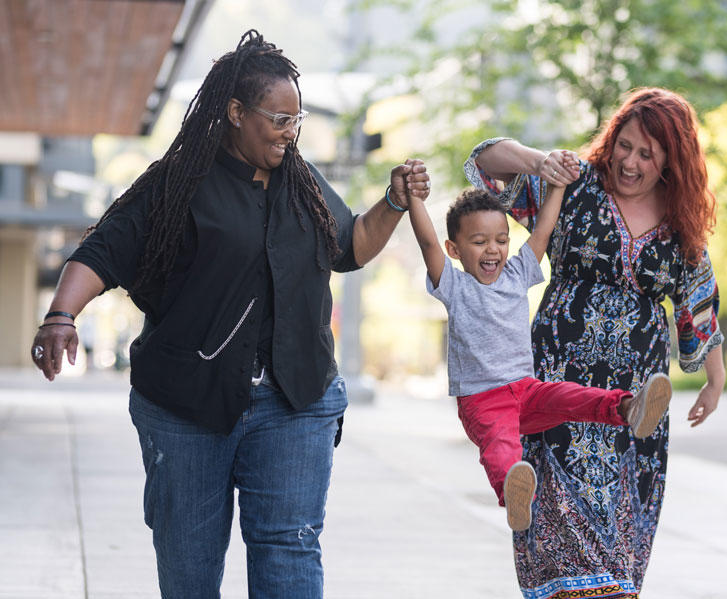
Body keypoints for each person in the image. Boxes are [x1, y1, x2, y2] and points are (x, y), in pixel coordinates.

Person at [29, 30, 429, 599]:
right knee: (189, 569)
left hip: (295, 400)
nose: (291, 131)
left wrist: (392, 203)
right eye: (279, 119)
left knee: (289, 552)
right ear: (236, 113)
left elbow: (352, 247)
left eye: (296, 119)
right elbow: (102, 252)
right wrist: (61, 317)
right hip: (187, 404)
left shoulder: (303, 183)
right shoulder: (177, 182)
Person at [465, 87, 726, 597]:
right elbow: (485, 161)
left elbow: (700, 303)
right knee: (560, 524)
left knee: (617, 543)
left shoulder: (681, 222)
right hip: (558, 384)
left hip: (637, 406)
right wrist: (542, 163)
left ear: (671, 161)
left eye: (647, 154)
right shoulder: (575, 186)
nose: (629, 162)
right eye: (624, 145)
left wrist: (715, 380)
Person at [407, 181, 673, 532]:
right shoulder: (454, 286)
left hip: (527, 390)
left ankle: (629, 408)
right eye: (479, 242)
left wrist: (557, 187)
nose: (493, 249)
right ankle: (515, 496)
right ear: (454, 250)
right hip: (483, 401)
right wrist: (413, 198)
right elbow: (427, 243)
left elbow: (543, 233)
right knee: (500, 446)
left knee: (570, 395)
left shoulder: (517, 274)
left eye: (501, 240)